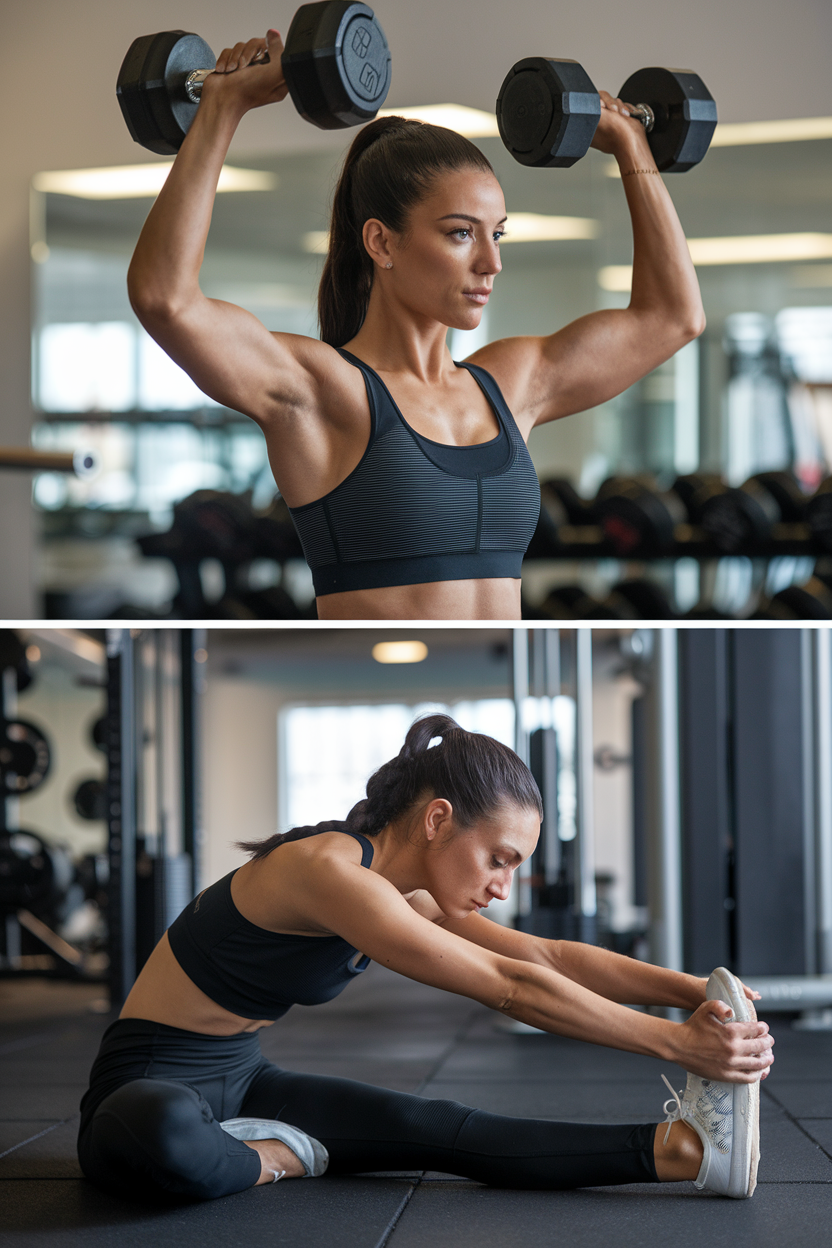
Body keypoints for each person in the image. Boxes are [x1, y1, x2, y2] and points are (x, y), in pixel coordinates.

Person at [127, 29, 706, 621]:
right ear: (382, 242)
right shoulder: (325, 392)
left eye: (497, 232)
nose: (492, 261)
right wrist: (222, 108)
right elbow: (165, 299)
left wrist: (632, 144)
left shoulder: (507, 385)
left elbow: (673, 316)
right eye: (461, 233)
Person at [78, 714, 772, 1203]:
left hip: (244, 1080)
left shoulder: (402, 893)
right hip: (146, 1087)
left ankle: (684, 1153)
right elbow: (509, 987)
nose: (503, 885)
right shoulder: (328, 874)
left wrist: (694, 990)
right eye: (498, 860)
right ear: (438, 819)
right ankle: (276, 1156)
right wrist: (679, 1044)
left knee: (436, 1128)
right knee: (159, 1130)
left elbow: (545, 953)